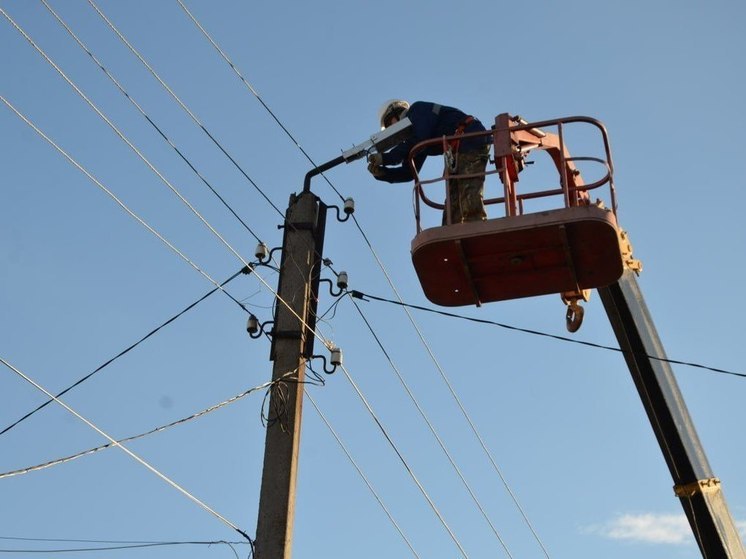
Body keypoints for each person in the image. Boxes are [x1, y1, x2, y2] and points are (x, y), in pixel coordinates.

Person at [367, 100, 491, 223]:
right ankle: (449, 233)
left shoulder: (417, 110)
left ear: (396, 113)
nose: (392, 130)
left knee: (467, 188)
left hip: (470, 138)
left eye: (390, 124)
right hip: (458, 149)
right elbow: (409, 172)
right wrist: (383, 173)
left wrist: (385, 158)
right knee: (452, 200)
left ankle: (476, 224)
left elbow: (420, 139)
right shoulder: (416, 139)